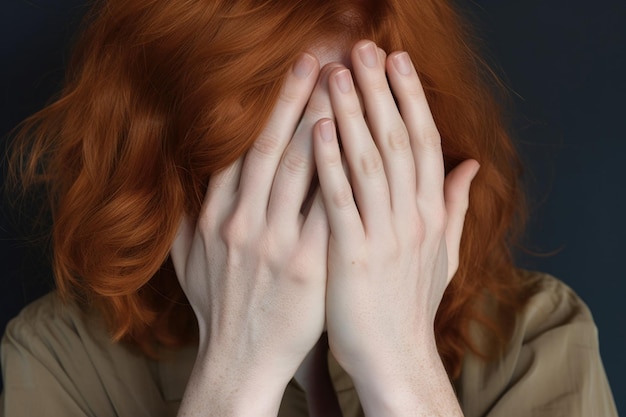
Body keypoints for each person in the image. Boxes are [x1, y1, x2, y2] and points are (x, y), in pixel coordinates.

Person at [1, 0, 617, 416]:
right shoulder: (60, 355)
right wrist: (235, 375)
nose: (327, 192)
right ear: (167, 169)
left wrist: (401, 365)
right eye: (268, 152)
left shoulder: (535, 337)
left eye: (362, 139)